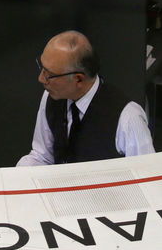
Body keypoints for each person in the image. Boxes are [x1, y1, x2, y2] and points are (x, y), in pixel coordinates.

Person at [18, 30, 154, 166]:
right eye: (42, 68)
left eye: (49, 74)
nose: (41, 79)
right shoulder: (51, 97)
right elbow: (42, 157)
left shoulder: (128, 119)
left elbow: (146, 176)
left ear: (78, 79)